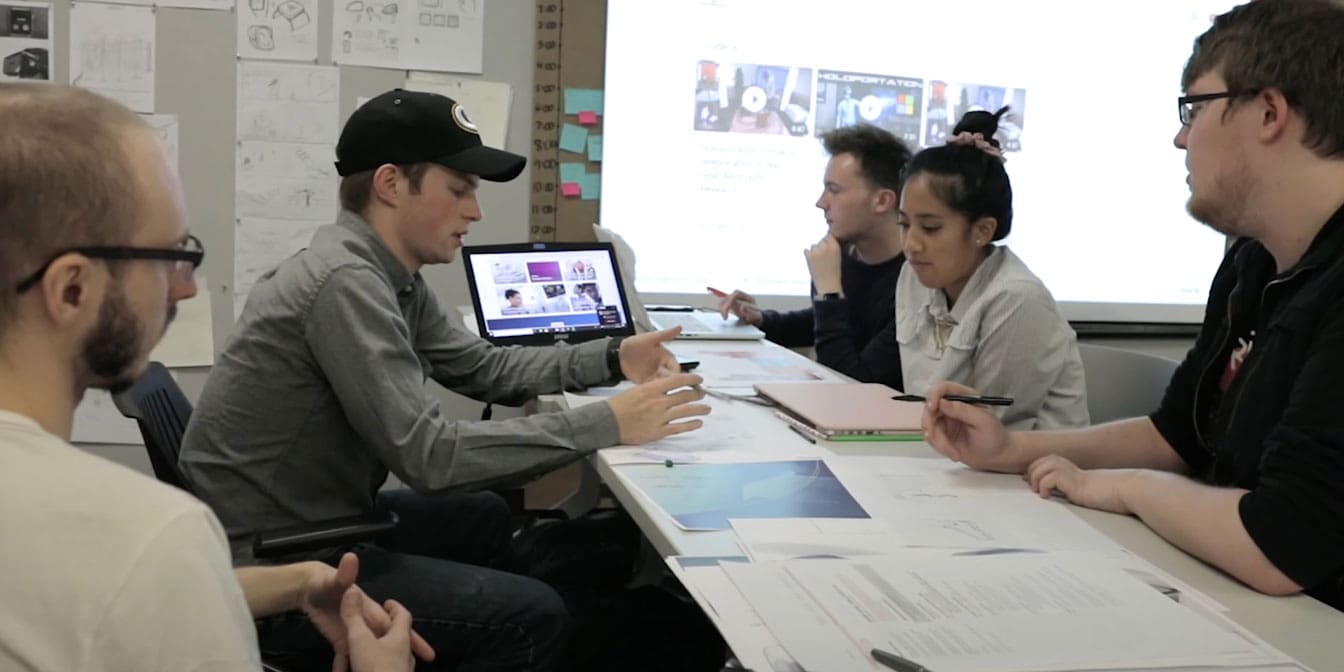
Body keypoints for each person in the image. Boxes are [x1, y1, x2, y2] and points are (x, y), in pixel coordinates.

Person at [179, 88, 710, 670]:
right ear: (389, 184)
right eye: (458, 190)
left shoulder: (386, 278)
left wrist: (612, 357)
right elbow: (430, 456)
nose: (475, 212)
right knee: (534, 616)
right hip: (278, 577)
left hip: (305, 531)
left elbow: (484, 367)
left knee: (482, 515)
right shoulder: (344, 285)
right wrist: (608, 422)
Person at [920, 0, 1344, 610]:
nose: (1180, 137)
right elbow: (1178, 435)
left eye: (1193, 108)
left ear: (1269, 112)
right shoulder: (1254, 261)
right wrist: (1013, 452)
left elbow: (1283, 546)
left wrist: (1121, 488)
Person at [0, 82, 426, 672]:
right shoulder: (154, 539)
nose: (185, 286)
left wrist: (296, 582)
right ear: (71, 289)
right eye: (169, 256)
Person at [896, 107, 1088, 429]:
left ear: (982, 231)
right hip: (938, 456)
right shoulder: (913, 275)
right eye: (904, 224)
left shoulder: (1016, 298)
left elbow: (988, 430)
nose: (911, 244)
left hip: (1026, 472)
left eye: (930, 228)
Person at [716, 123, 910, 389]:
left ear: (882, 201)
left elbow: (851, 384)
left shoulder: (917, 278)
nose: (822, 202)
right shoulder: (842, 252)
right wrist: (762, 320)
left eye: (835, 190)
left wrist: (829, 292)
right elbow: (830, 324)